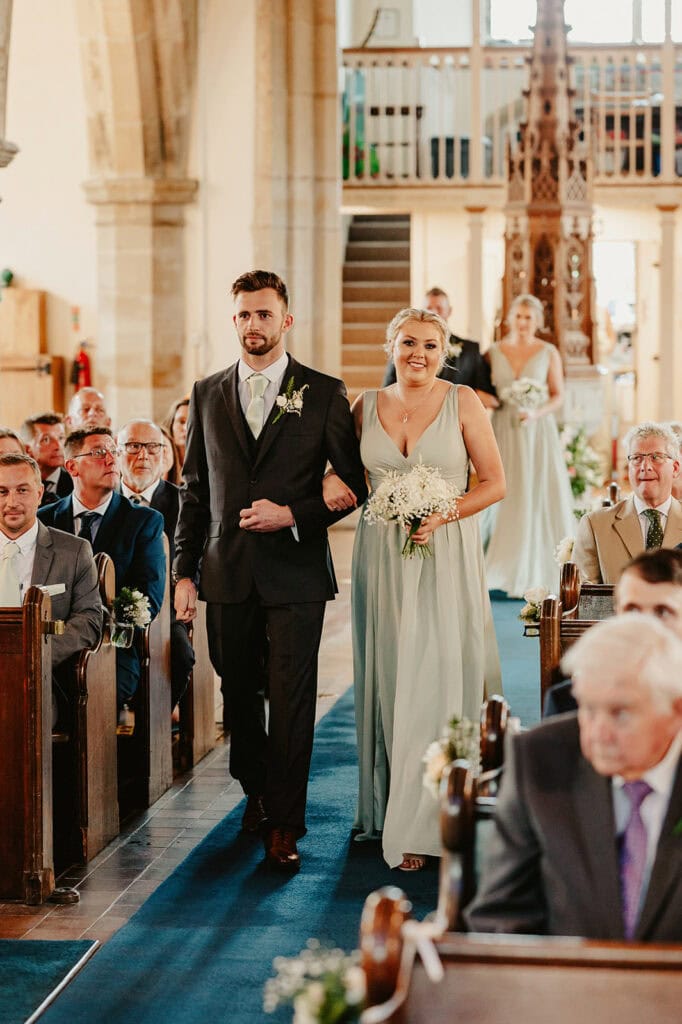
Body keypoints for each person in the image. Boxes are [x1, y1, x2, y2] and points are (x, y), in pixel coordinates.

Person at [173, 269, 367, 874]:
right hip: (226, 572)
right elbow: (194, 491)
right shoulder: (207, 393)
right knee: (238, 691)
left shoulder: (324, 391)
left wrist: (293, 512)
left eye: (264, 314)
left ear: (286, 320)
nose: (253, 325)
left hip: (295, 575)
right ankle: (254, 788)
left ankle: (285, 823)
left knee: (290, 699)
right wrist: (184, 571)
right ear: (232, 321)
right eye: (243, 315)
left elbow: (356, 485)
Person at [329, 306, 505, 872]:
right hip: (381, 555)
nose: (419, 354)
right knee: (392, 676)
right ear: (390, 345)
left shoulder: (465, 401)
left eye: (431, 345)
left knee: (437, 674)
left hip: (444, 553)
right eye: (408, 343)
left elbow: (495, 483)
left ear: (445, 350)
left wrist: (444, 513)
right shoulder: (365, 406)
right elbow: (347, 477)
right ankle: (389, 809)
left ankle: (431, 814)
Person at [466, 613, 682, 941]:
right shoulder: (540, 761)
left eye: (620, 713)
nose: (598, 733)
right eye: (588, 709)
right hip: (562, 985)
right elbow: (500, 915)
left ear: (676, 710)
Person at [38, 427, 166, 710]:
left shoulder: (143, 520)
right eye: (98, 452)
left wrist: (96, 624)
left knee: (93, 692)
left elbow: (148, 596)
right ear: (72, 466)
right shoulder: (44, 521)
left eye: (113, 452)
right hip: (52, 644)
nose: (111, 459)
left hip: (113, 647)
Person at [0, 452, 102, 725]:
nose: (12, 502)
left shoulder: (73, 551)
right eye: (2, 491)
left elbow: (89, 620)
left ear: (39, 493)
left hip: (41, 683)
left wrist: (36, 655)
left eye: (22, 490)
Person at [484, 293, 575, 597]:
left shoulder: (548, 352)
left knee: (535, 489)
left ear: (538, 321)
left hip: (536, 430)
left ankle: (536, 562)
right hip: (503, 428)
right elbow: (481, 390)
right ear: (509, 318)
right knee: (504, 488)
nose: (523, 323)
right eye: (518, 317)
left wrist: (535, 413)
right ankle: (502, 559)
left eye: (529, 318)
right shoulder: (492, 352)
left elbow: (558, 394)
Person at [544, 548, 682, 716]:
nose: (644, 625)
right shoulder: (570, 701)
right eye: (632, 610)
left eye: (662, 612)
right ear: (617, 614)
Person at [118, 418, 195, 710]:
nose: (143, 455)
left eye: (153, 447)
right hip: (111, 606)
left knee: (179, 653)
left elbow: (197, 553)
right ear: (117, 452)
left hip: (166, 606)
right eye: (133, 446)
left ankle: (155, 724)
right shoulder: (104, 498)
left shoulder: (185, 503)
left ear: (165, 455)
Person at [573, 422, 682, 583]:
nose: (645, 466)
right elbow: (584, 599)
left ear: (675, 468)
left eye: (656, 457)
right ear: (628, 468)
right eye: (637, 458)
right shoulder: (595, 525)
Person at [382, 287, 498, 410]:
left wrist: (459, 399)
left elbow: (489, 397)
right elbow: (388, 389)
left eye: (439, 308)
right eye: (429, 308)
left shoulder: (471, 350)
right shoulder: (404, 348)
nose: (434, 313)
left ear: (449, 311)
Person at [19, 412, 73, 505]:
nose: (58, 446)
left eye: (61, 438)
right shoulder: (17, 482)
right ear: (28, 449)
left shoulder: (75, 481)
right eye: (46, 439)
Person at [162, 396, 189, 477]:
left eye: (192, 423)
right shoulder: (161, 462)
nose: (186, 428)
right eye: (181, 421)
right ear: (171, 425)